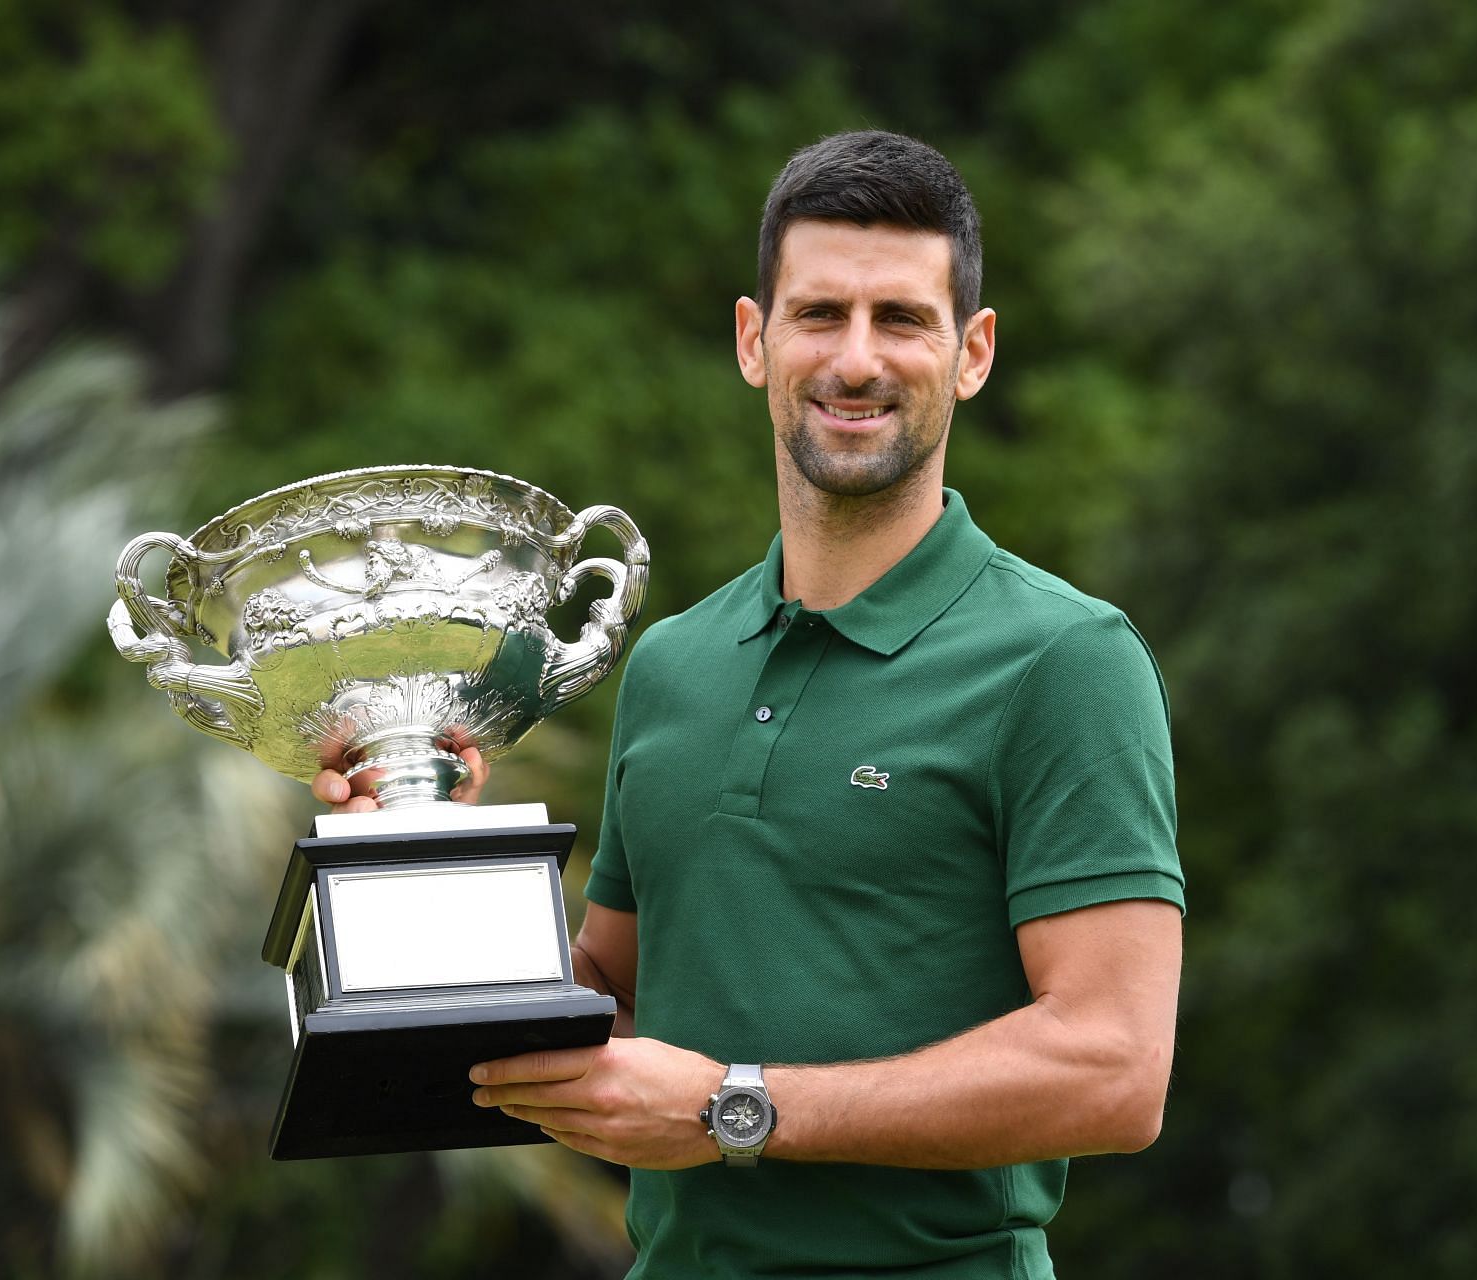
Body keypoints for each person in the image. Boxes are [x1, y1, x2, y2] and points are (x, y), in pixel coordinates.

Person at [315, 130, 1184, 1277]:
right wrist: (427, 853)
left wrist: (738, 1105)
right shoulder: (677, 662)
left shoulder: (1065, 658)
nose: (858, 360)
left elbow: (1115, 1069)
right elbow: (607, 1010)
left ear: (972, 353)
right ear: (753, 339)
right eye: (821, 313)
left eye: (903, 320)